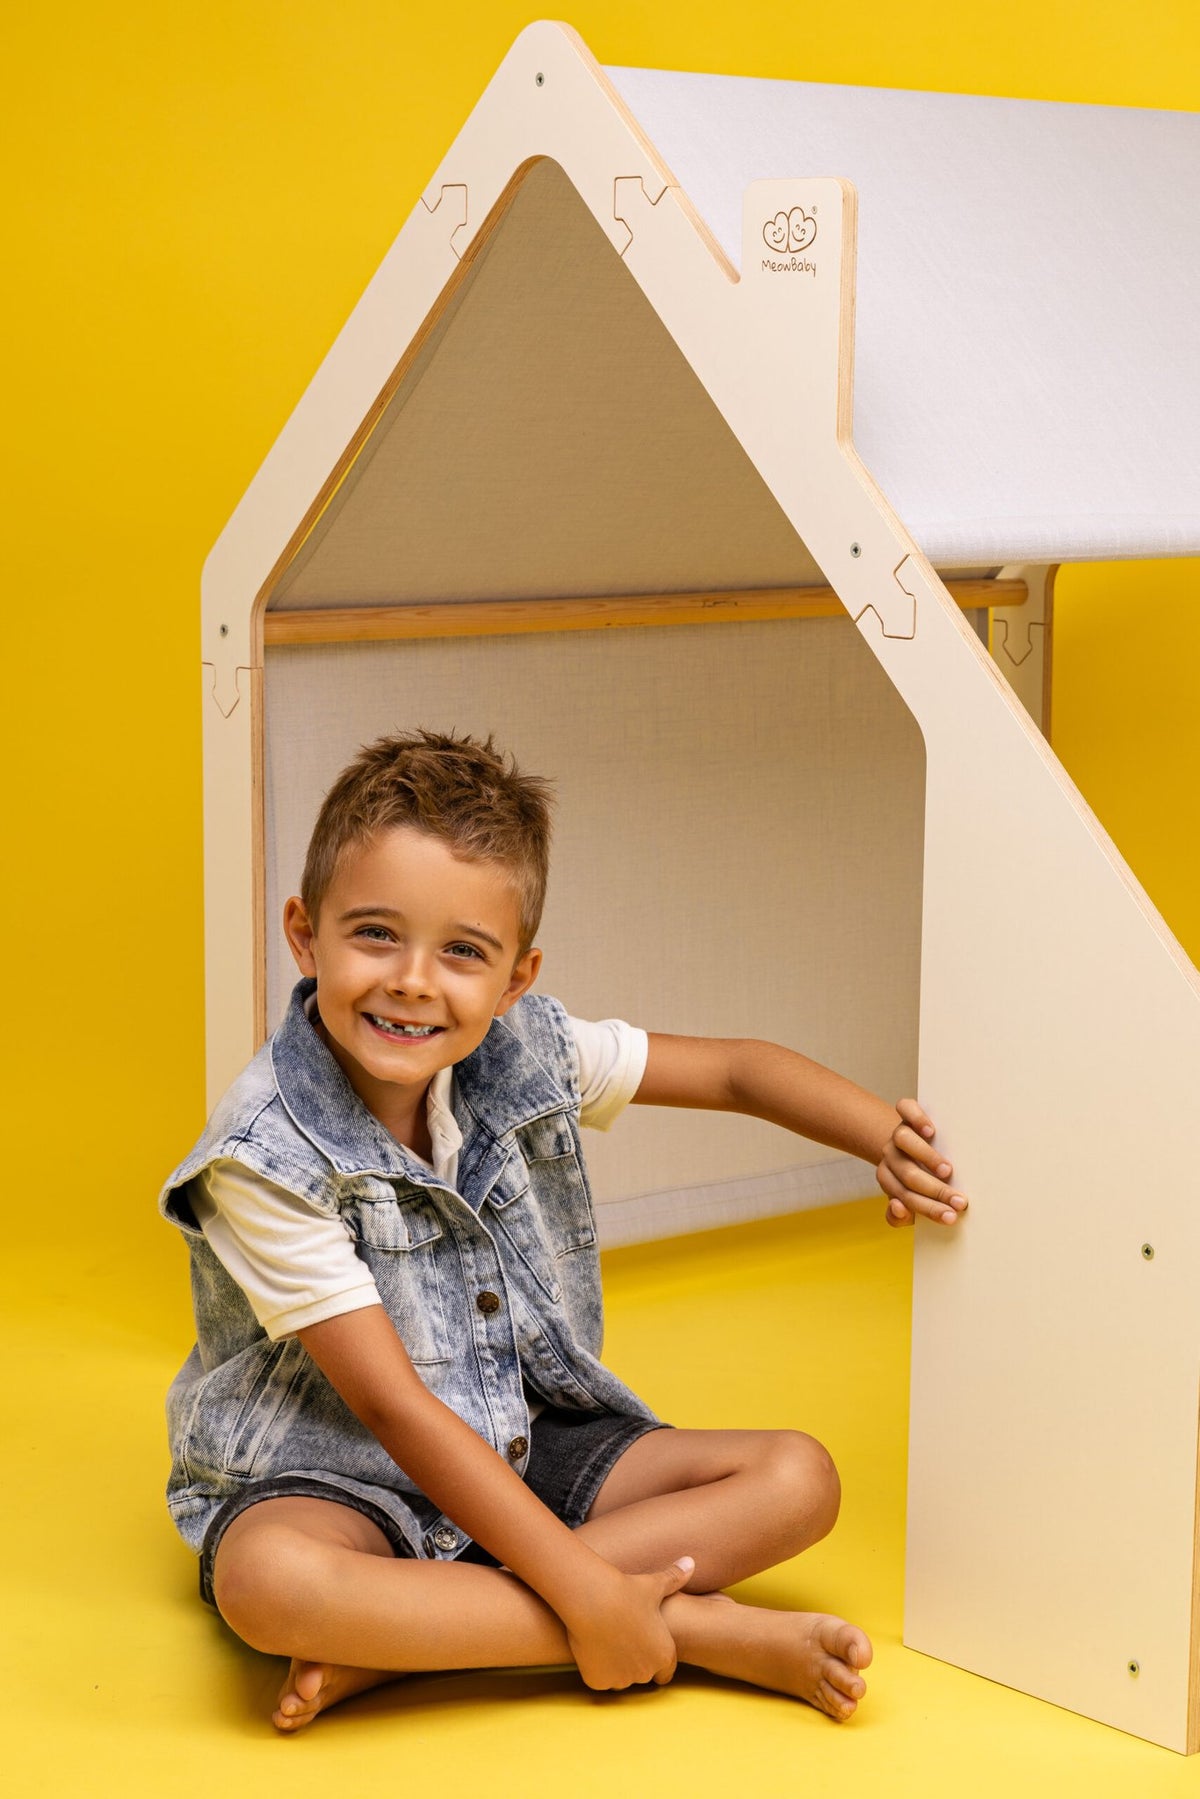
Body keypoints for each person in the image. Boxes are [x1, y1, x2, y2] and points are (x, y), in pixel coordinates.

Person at [160, 730, 966, 1733]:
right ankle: (696, 1628)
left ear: (516, 977)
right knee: (267, 1581)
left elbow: (734, 1070)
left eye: (463, 951)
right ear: (304, 931)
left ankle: (412, 1648)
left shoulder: (528, 1049)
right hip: (334, 1468)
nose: (415, 979)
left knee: (797, 1477)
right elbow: (395, 1407)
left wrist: (883, 1135)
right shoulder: (263, 1153)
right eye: (374, 933)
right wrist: (588, 1595)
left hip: (518, 1431)